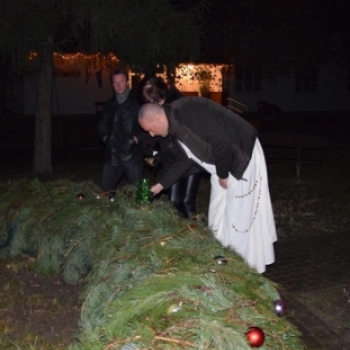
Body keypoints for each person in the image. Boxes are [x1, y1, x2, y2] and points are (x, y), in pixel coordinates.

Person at [138, 97, 277, 273]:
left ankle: (242, 268)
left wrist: (223, 174)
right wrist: (159, 186)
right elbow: (185, 160)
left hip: (241, 158)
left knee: (238, 219)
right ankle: (221, 257)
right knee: (217, 213)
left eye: (150, 130)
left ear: (156, 119)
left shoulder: (188, 111)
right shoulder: (175, 125)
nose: (151, 135)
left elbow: (222, 141)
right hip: (222, 165)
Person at [139, 76, 201, 219]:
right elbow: (150, 131)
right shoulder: (158, 109)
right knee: (173, 202)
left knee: (187, 203)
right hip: (171, 160)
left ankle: (194, 233)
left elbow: (186, 150)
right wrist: (149, 147)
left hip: (188, 161)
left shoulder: (180, 108)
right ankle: (177, 236)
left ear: (161, 98)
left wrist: (163, 156)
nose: (150, 109)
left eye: (152, 104)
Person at [97, 69, 144, 195]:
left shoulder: (138, 102)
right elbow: (101, 127)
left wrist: (135, 140)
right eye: (115, 83)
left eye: (121, 82)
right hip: (112, 155)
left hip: (132, 155)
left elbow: (149, 126)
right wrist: (108, 139)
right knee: (105, 191)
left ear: (127, 82)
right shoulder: (109, 104)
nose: (118, 85)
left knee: (137, 193)